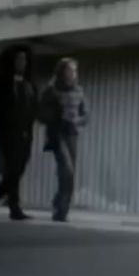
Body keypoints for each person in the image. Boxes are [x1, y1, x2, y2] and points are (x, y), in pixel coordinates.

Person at [0, 44, 38, 221]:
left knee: (17, 170)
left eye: (24, 59)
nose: (22, 63)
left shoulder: (29, 83)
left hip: (25, 133)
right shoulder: (1, 82)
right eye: (18, 59)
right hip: (6, 132)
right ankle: (14, 207)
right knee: (12, 168)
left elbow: (33, 107)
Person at [40, 57, 89, 223]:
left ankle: (61, 207)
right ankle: (60, 209)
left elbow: (85, 114)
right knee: (66, 170)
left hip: (72, 134)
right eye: (70, 70)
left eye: (75, 71)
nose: (73, 74)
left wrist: (77, 121)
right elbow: (40, 114)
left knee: (70, 174)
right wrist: (56, 117)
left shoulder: (79, 91)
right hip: (57, 133)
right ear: (61, 71)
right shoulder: (51, 91)